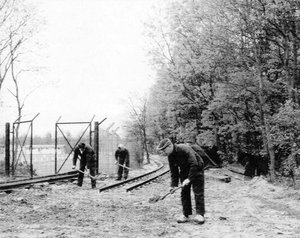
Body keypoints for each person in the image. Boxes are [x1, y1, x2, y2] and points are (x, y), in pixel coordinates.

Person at [157, 138, 205, 224]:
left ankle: (200, 214)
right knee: (184, 192)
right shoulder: (170, 156)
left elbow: (194, 163)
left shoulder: (183, 148)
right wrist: (173, 185)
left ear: (170, 146)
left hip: (197, 168)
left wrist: (189, 178)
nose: (163, 152)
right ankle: (186, 214)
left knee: (198, 191)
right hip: (185, 170)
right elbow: (174, 171)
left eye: (164, 150)